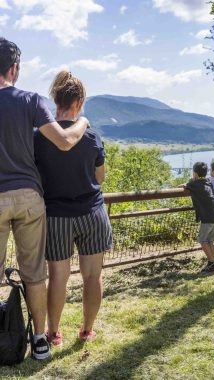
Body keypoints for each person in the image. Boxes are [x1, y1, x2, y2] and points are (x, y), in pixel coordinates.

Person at [0, 38, 89, 360]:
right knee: (33, 272)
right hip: (28, 197)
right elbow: (65, 141)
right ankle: (39, 339)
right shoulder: (29, 100)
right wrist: (83, 121)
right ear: (15, 69)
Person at [34, 71, 112, 347]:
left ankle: (54, 332)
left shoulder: (40, 136)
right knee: (93, 275)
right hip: (92, 212)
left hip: (56, 216)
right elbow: (100, 178)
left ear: (55, 100)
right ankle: (87, 330)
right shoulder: (92, 137)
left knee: (57, 277)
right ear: (79, 101)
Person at [185, 162, 214, 273]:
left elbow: (188, 184)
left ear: (195, 173)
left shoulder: (194, 184)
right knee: (209, 240)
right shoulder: (208, 182)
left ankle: (212, 262)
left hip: (208, 217)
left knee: (202, 240)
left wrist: (187, 183)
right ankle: (212, 262)